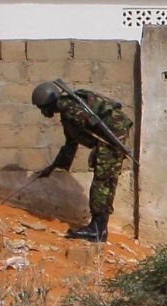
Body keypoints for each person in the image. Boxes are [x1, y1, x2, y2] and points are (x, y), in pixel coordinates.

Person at [29, 81, 133, 241]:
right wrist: (54, 167)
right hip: (112, 136)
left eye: (41, 108)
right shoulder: (69, 107)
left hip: (112, 138)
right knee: (104, 181)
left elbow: (81, 134)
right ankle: (99, 228)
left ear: (47, 104)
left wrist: (101, 149)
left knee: (102, 183)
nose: (43, 112)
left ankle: (97, 230)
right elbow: (71, 142)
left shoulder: (69, 108)